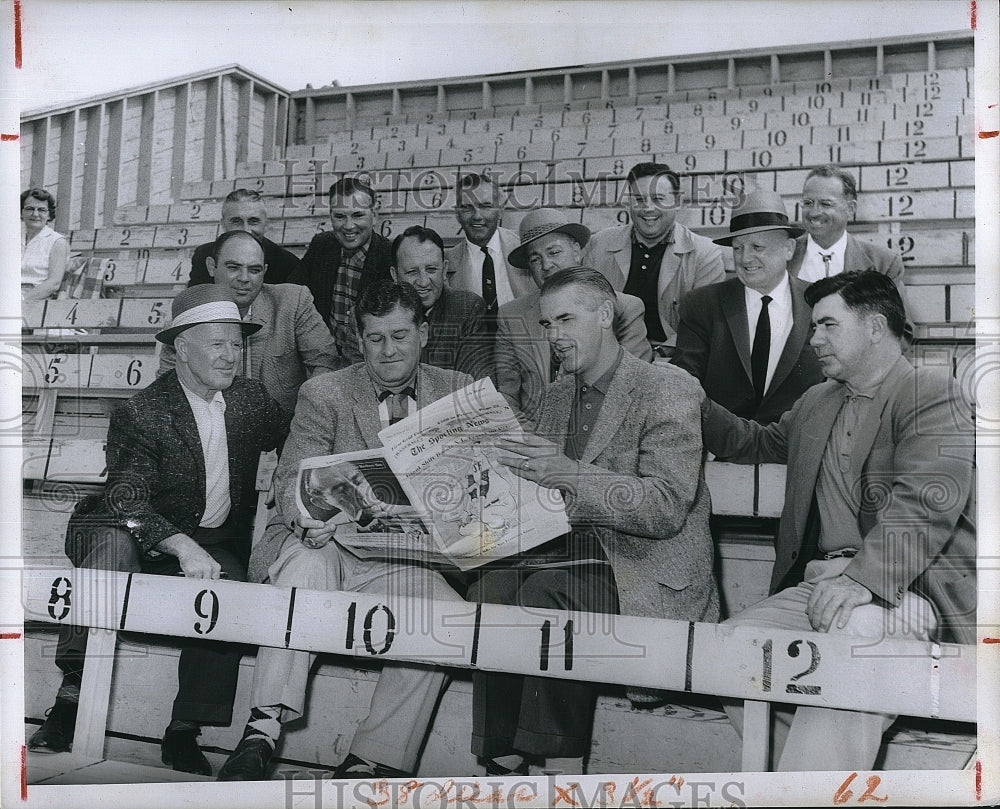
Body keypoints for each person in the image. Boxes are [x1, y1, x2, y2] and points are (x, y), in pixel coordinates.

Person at [701, 270, 976, 772]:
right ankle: (810, 783)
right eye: (813, 327)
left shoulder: (932, 392)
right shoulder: (816, 400)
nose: (813, 339)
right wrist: (689, 397)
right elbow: (756, 443)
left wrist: (860, 581)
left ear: (874, 327)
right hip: (826, 582)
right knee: (729, 651)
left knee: (858, 636)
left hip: (911, 587)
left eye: (827, 325)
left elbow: (925, 501)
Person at [27, 285, 289, 775]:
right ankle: (70, 697)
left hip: (208, 540)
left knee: (226, 592)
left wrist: (294, 476)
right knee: (113, 551)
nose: (231, 355)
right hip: (119, 525)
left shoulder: (251, 400)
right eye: (217, 343)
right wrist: (182, 546)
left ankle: (184, 730)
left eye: (237, 343)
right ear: (181, 348)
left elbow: (297, 439)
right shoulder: (143, 410)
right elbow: (127, 498)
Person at [217, 281, 471, 782]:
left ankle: (372, 759)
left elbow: (482, 483)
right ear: (359, 341)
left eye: (400, 335)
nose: (388, 350)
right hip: (330, 546)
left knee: (450, 617)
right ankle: (262, 730)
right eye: (374, 338)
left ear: (424, 332)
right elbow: (291, 478)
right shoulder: (325, 392)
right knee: (303, 569)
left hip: (408, 560)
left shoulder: (460, 392)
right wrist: (305, 516)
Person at [472, 268, 718, 777]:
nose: (554, 336)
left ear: (605, 315)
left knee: (546, 592)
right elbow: (538, 494)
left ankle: (552, 761)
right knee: (492, 585)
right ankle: (498, 753)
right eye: (546, 323)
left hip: (641, 569)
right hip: (571, 556)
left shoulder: (668, 387)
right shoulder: (558, 394)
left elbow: (666, 506)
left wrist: (571, 474)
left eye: (566, 319)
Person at [673, 190, 824, 424]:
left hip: (797, 448)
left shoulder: (820, 301)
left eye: (756, 247)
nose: (744, 258)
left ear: (788, 249)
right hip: (718, 450)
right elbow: (684, 383)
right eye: (737, 248)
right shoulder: (701, 304)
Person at [160, 230, 342, 415]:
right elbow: (166, 393)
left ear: (265, 271)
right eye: (233, 267)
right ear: (211, 266)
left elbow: (326, 363)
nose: (244, 278)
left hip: (285, 430)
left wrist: (304, 416)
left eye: (254, 270)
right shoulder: (185, 320)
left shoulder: (293, 302)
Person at [496, 208, 651, 422]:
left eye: (554, 252)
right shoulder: (511, 314)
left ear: (577, 251)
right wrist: (529, 438)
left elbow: (632, 388)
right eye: (535, 259)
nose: (546, 265)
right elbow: (506, 395)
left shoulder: (622, 307)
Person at [583, 162, 726, 352]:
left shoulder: (706, 253)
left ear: (676, 202)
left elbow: (703, 324)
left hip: (671, 358)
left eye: (658, 198)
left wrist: (657, 359)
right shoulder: (599, 244)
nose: (648, 208)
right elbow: (585, 313)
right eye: (639, 199)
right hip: (609, 356)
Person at [288, 176, 393, 363]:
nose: (348, 226)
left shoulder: (390, 256)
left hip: (371, 362)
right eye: (339, 216)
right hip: (323, 358)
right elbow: (292, 293)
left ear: (374, 215)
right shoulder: (322, 245)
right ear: (330, 216)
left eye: (358, 215)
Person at [389, 225, 493, 380]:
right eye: (412, 272)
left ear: (444, 270)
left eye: (431, 270)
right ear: (394, 275)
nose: (423, 282)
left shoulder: (468, 309)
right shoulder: (372, 316)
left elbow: (474, 385)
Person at [789, 165, 906, 294]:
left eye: (825, 204)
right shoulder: (782, 257)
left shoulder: (884, 264)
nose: (815, 212)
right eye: (808, 203)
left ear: (850, 209)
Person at [444, 173, 536, 318]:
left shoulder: (526, 248)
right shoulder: (446, 263)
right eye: (467, 208)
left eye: (486, 206)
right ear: (457, 214)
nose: (477, 216)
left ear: (501, 210)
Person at [187, 188, 301, 287]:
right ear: (223, 224)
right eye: (236, 221)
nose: (246, 230)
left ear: (266, 225)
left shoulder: (287, 264)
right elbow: (194, 303)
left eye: (253, 221)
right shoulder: (204, 254)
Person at [21, 188, 70, 301]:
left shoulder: (57, 242)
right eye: (30, 209)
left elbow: (53, 283)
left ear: (49, 215)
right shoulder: (11, 237)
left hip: (36, 299)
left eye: (42, 210)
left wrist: (22, 299)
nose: (35, 214)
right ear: (22, 212)